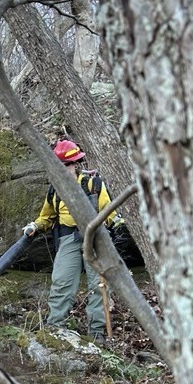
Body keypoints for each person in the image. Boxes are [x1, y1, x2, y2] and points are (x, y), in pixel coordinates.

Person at [23, 139, 123, 345]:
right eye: (62, 165)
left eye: (69, 164)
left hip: (96, 238)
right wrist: (35, 226)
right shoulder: (55, 190)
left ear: (75, 164)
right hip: (69, 238)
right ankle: (54, 327)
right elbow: (47, 216)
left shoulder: (93, 184)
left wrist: (110, 225)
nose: (66, 169)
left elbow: (109, 209)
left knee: (99, 286)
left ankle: (97, 332)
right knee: (61, 282)